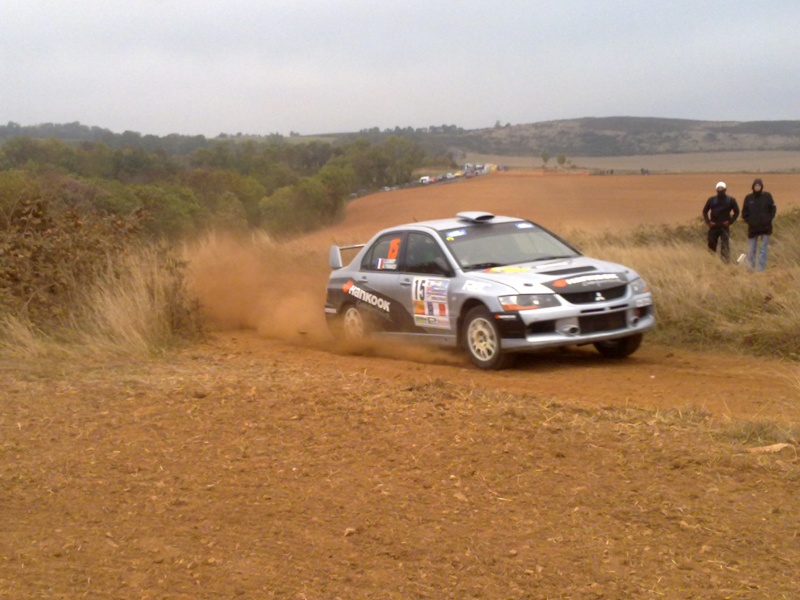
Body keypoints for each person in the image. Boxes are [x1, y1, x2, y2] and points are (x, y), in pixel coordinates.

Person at [741, 178, 776, 272]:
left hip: (765, 227)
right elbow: (744, 213)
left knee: (763, 250)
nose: (757, 187)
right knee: (752, 249)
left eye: (759, 185)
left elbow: (773, 209)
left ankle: (761, 270)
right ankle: (750, 269)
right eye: (756, 185)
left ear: (762, 186)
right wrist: (750, 221)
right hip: (753, 228)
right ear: (753, 187)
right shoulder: (748, 198)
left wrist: (768, 219)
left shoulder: (767, 196)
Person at [702, 181, 740, 263]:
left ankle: (725, 264)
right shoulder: (711, 200)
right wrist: (708, 222)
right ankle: (711, 262)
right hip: (713, 226)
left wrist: (730, 222)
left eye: (721, 188)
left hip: (724, 227)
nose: (720, 190)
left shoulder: (731, 200)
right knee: (711, 246)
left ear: (725, 189)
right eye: (718, 188)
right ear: (716, 189)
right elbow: (705, 211)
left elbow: (737, 212)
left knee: (725, 246)